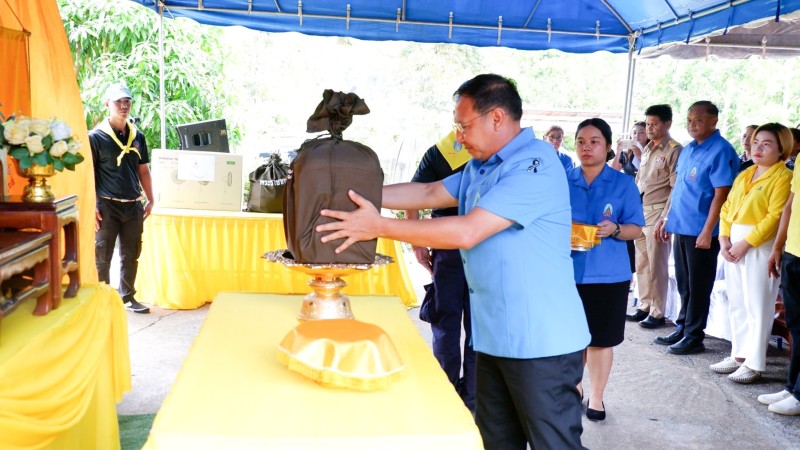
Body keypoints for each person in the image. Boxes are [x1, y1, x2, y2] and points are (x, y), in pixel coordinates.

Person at [318, 74, 590, 449]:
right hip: (493, 337)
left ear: (497, 118)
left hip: (540, 343)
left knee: (553, 443)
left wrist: (378, 226)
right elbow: (429, 192)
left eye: (463, 126)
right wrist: (347, 193)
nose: (459, 138)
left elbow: (468, 231)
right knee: (496, 441)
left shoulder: (536, 164)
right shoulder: (482, 166)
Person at [567, 118, 644, 421]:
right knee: (571, 338)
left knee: (601, 339)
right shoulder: (563, 180)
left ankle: (596, 398)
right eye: (581, 141)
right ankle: (574, 388)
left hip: (608, 275)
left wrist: (615, 229)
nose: (586, 147)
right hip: (567, 271)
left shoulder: (623, 184)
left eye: (594, 141)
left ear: (609, 146)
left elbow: (636, 228)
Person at [654, 100, 737, 355]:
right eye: (689, 120)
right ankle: (682, 326)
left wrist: (708, 229)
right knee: (684, 283)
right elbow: (679, 189)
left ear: (714, 121)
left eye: (698, 120)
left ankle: (694, 336)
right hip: (682, 225)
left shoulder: (721, 150)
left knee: (699, 285)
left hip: (702, 230)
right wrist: (667, 218)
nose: (692, 124)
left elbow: (721, 194)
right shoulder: (689, 149)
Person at [714, 123, 793, 384]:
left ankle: (755, 362)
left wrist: (745, 243)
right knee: (737, 301)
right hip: (733, 241)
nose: (757, 147)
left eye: (766, 144)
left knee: (758, 304)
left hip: (760, 245)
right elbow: (727, 208)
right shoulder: (745, 173)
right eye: (756, 142)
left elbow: (775, 217)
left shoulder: (783, 177)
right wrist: (724, 238)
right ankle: (739, 354)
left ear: (781, 149)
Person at [404, 131, 475, 411]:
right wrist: (417, 241)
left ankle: (448, 392)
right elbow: (418, 194)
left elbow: (415, 196)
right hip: (480, 247)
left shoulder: (440, 151)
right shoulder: (495, 152)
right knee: (478, 324)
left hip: (448, 247)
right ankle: (473, 394)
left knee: (447, 320)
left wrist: (418, 242)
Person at [90, 82, 154, 313]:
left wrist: (151, 198)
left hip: (133, 205)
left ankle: (127, 296)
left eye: (127, 101)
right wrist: (91, 205)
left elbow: (143, 169)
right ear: (107, 104)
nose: (124, 105)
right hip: (106, 206)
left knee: (131, 254)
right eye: (118, 101)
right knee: (103, 255)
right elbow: (89, 174)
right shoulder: (95, 137)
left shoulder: (138, 136)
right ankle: (102, 299)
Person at [626, 105, 682, 329]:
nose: (649, 128)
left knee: (657, 265)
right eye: (647, 124)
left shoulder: (674, 150)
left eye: (654, 124)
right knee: (642, 262)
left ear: (667, 124)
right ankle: (645, 304)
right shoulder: (648, 148)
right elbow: (640, 180)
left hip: (658, 212)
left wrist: (666, 218)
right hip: (641, 211)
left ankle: (658, 311)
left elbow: (675, 188)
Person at [760, 149, 800, 416]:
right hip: (794, 250)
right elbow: (790, 205)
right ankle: (792, 386)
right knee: (795, 324)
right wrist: (778, 246)